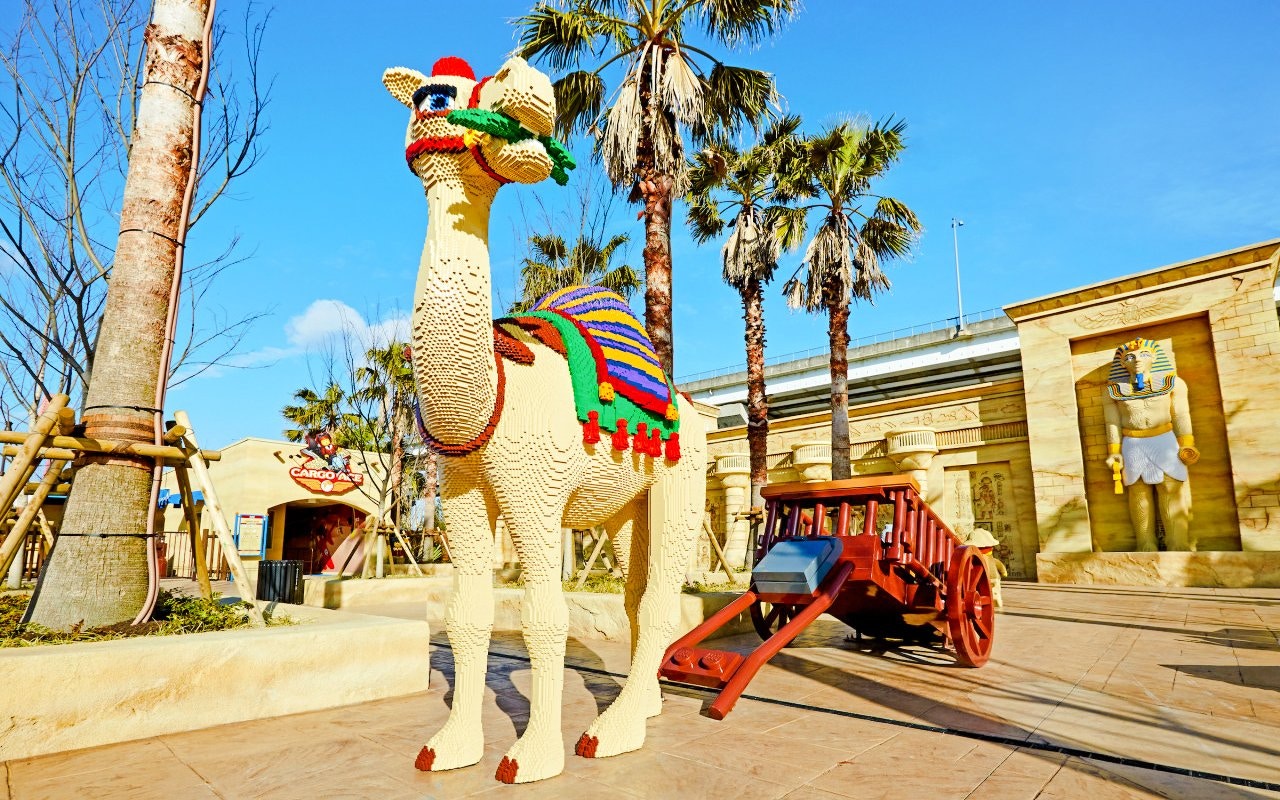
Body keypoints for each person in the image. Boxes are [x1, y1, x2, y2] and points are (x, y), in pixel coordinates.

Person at [1102, 338, 1199, 551]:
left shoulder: (1173, 383)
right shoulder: (1113, 391)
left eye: (1143, 355)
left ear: (1154, 358)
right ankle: (1145, 542)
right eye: (1130, 357)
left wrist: (1187, 443)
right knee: (1138, 492)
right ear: (1122, 364)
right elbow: (1112, 422)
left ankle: (1177, 542)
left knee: (1170, 489)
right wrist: (1114, 451)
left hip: (1164, 440)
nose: (1136, 360)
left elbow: (1181, 414)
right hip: (1133, 443)